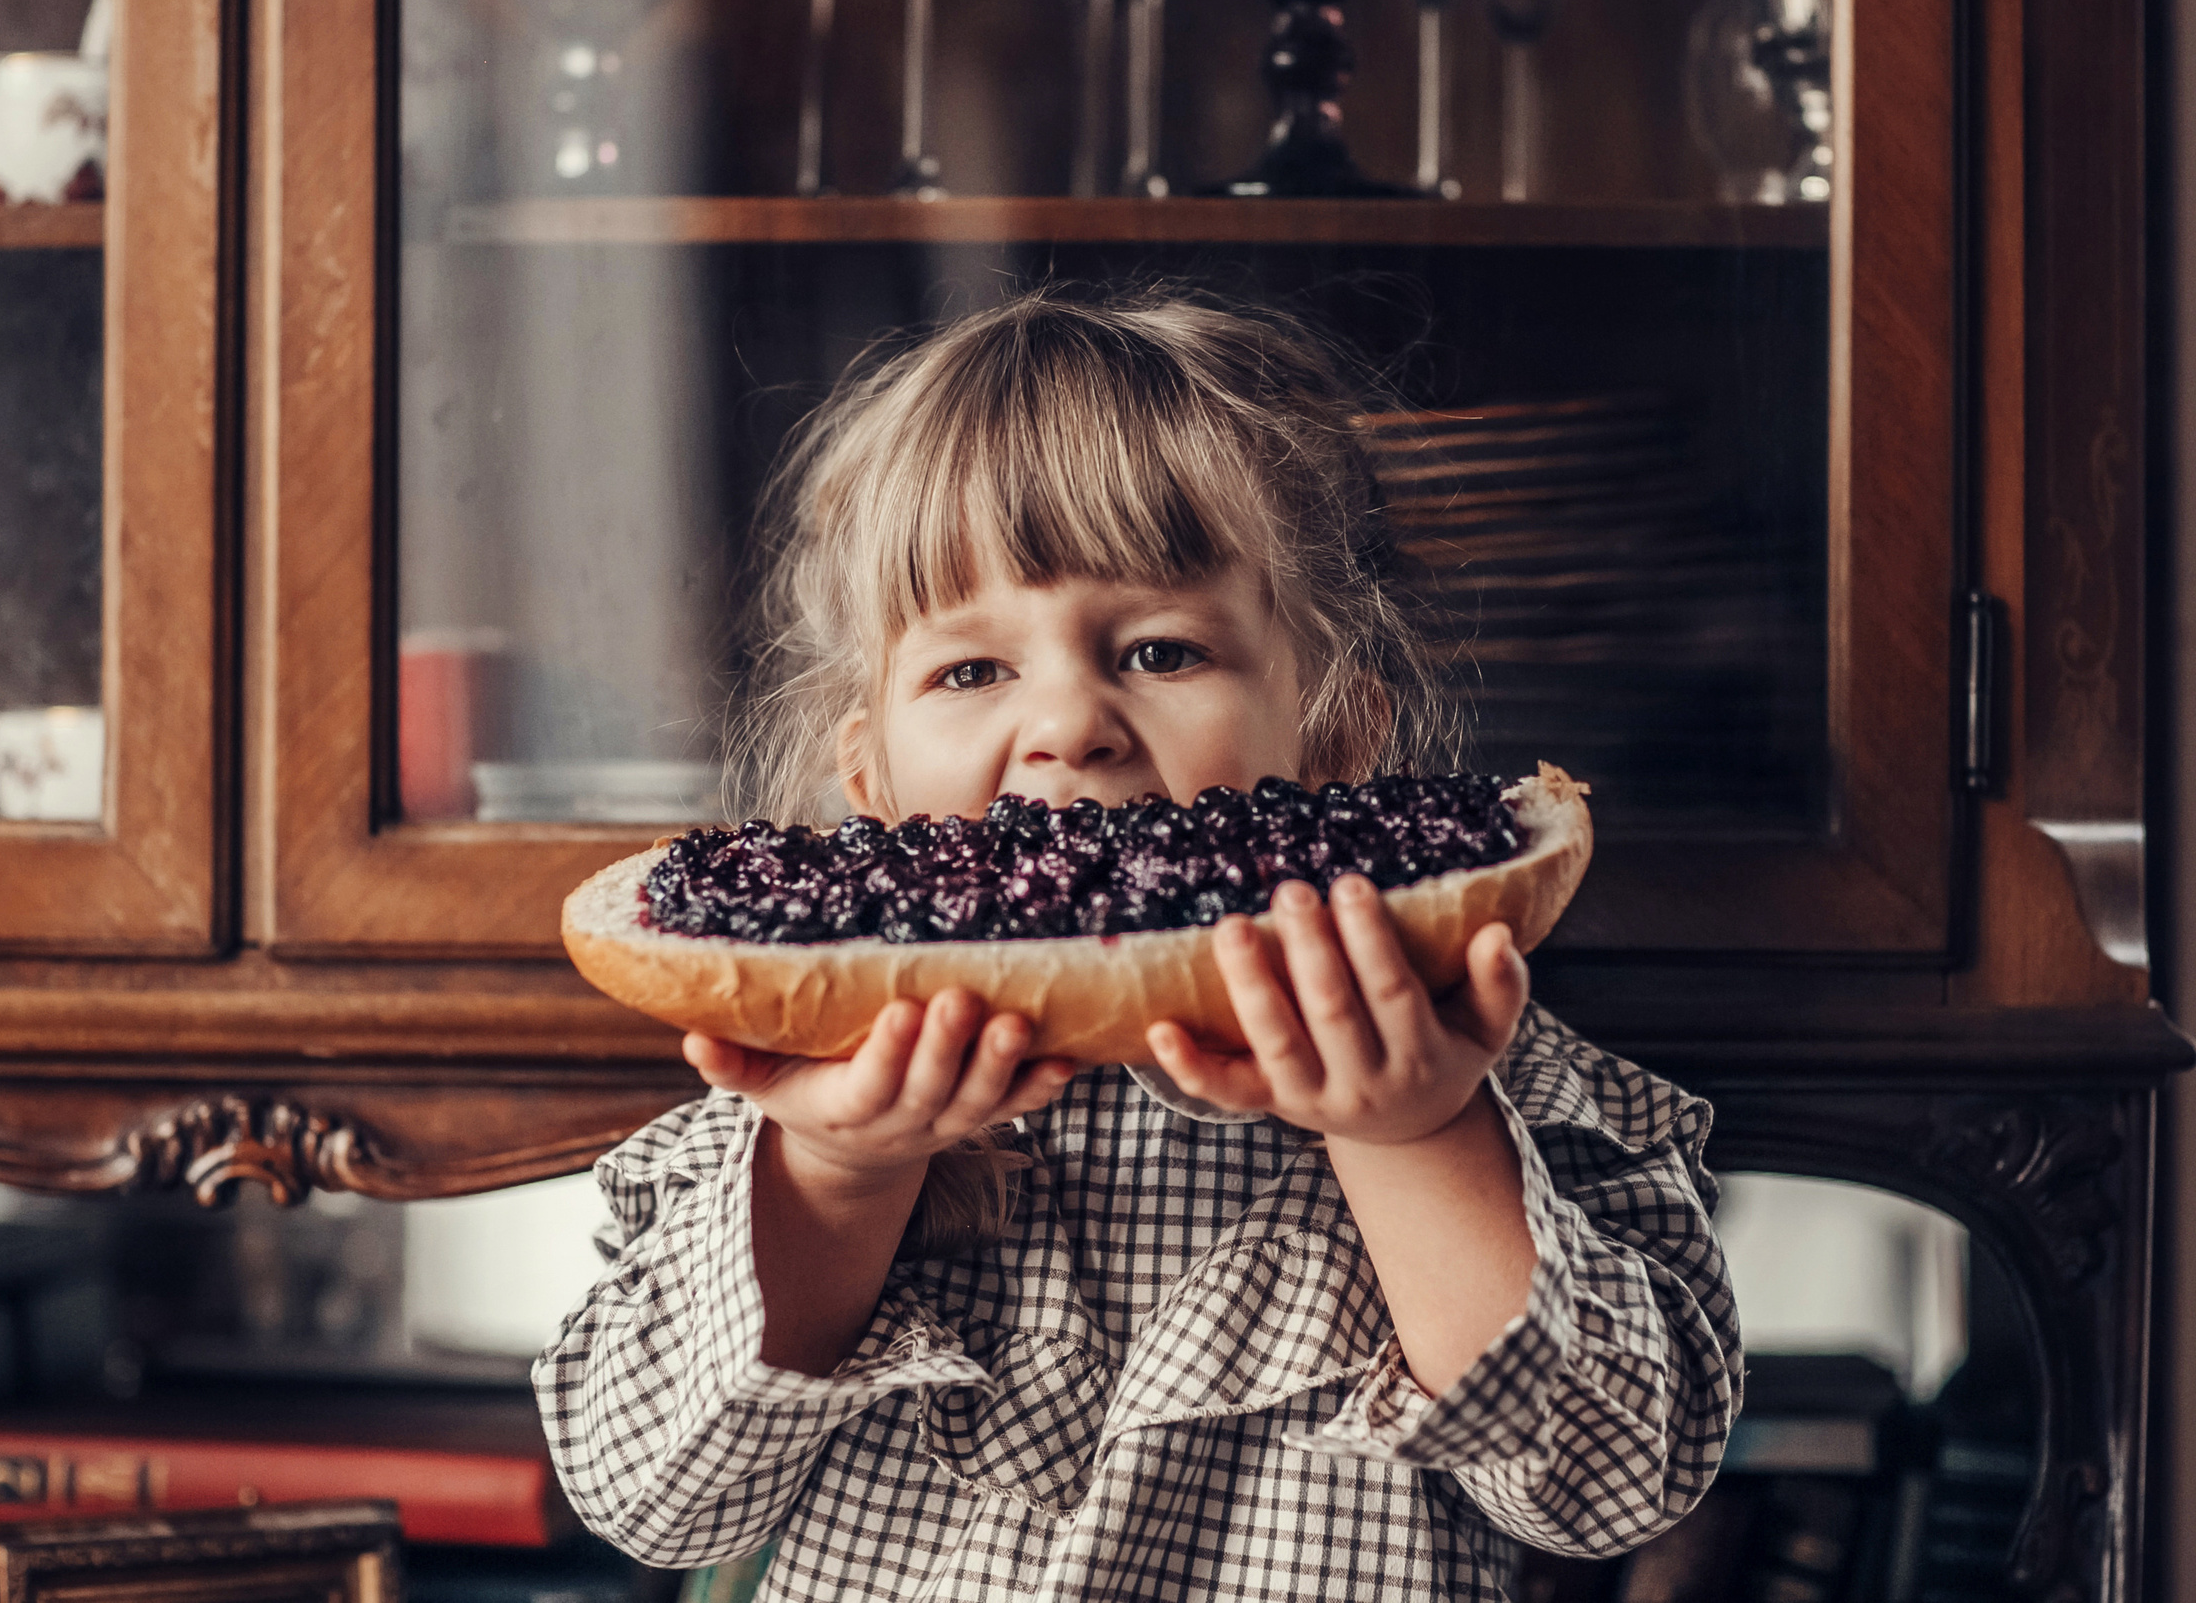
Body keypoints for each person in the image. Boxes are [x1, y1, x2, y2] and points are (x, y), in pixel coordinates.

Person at [535, 289, 1741, 1601]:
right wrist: (837, 1169)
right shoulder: (800, 1095)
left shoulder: (1481, 1061)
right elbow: (650, 1500)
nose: (1069, 725)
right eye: (972, 672)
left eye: (1162, 650)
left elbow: (1613, 1486)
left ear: (1334, 744)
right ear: (868, 782)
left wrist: (1418, 1138)